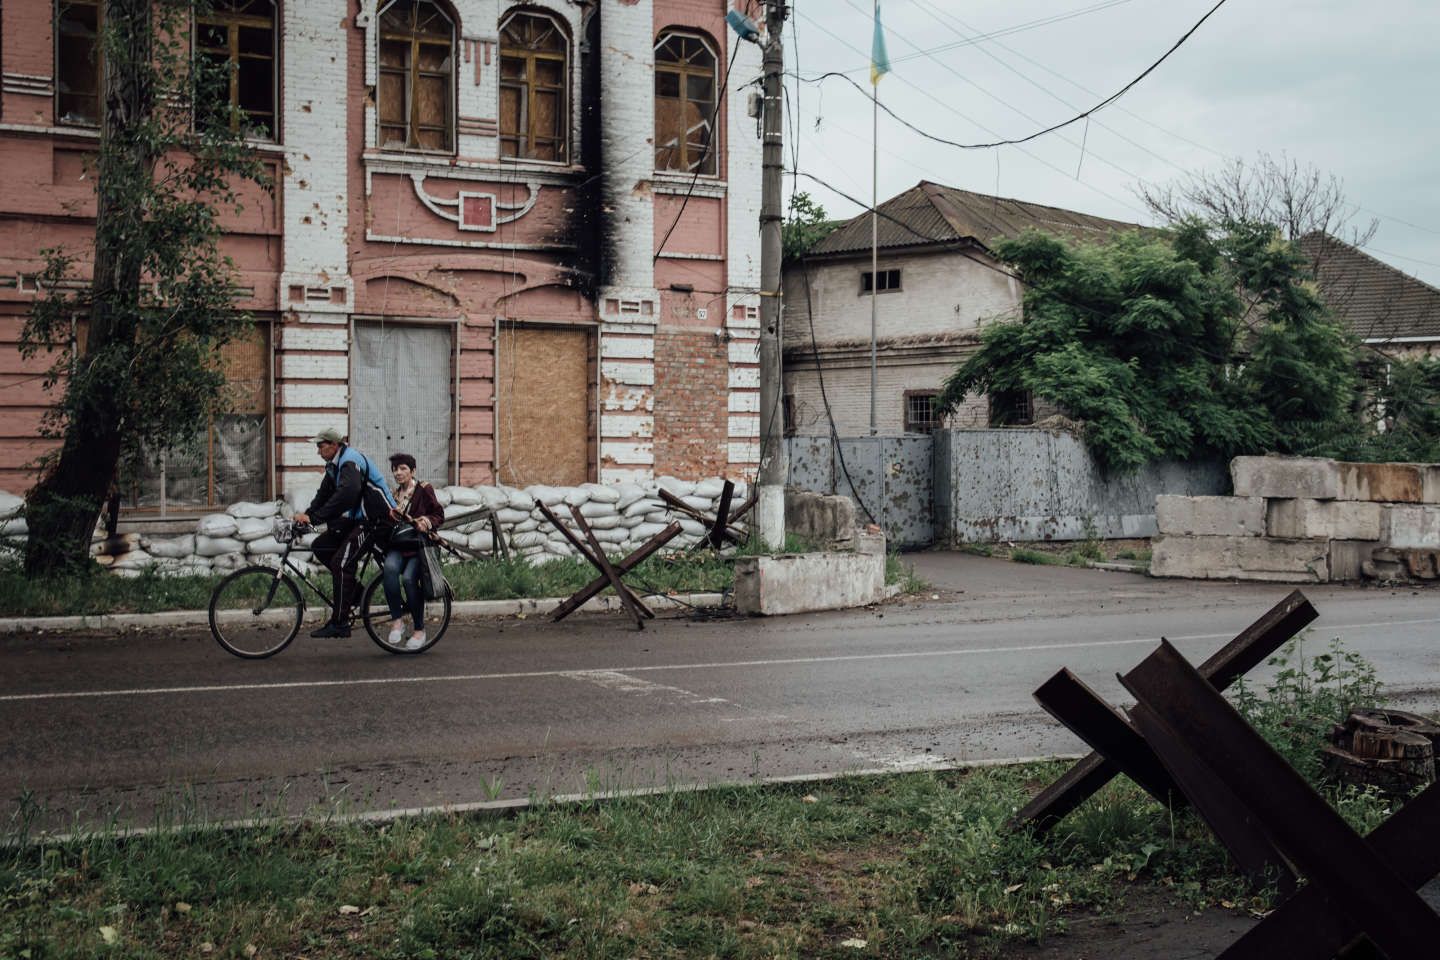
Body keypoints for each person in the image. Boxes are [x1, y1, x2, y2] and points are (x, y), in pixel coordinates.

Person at [292, 428, 397, 638]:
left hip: (377, 519)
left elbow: (346, 495)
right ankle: (357, 595)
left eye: (321, 446)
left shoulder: (350, 461)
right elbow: (324, 494)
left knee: (341, 563)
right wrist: (307, 515)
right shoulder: (334, 466)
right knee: (321, 546)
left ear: (334, 445)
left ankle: (340, 623)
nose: (318, 451)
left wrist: (315, 518)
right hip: (361, 518)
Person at [381, 452, 445, 650]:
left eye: (403, 469)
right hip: (400, 546)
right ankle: (397, 621)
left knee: (409, 579)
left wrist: (425, 522)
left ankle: (419, 630)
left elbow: (438, 515)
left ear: (413, 471)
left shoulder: (424, 489)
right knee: (389, 570)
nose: (398, 473)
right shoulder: (394, 494)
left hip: (419, 547)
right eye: (395, 469)